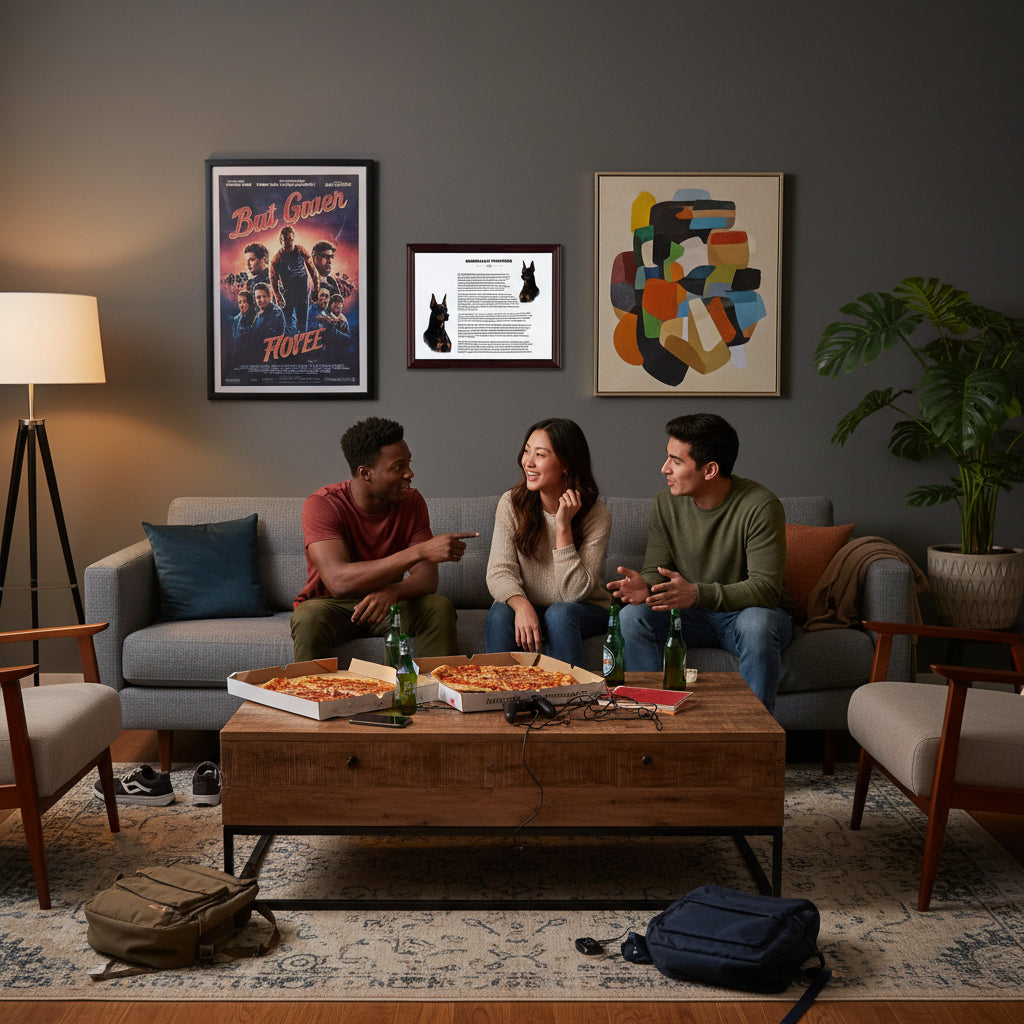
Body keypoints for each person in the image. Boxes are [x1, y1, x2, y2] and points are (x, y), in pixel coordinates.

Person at [608, 413, 795, 712]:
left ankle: (753, 740)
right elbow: (655, 570)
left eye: (676, 461)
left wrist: (696, 593)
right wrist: (646, 587)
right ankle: (651, 719)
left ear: (709, 470)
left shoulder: (760, 505)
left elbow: (766, 589)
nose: (664, 468)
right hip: (690, 616)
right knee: (633, 617)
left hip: (746, 616)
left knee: (758, 624)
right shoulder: (665, 503)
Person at [291, 416, 479, 661]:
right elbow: (338, 581)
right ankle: (313, 697)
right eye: (398, 467)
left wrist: (393, 591)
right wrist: (419, 552)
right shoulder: (323, 504)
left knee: (438, 607)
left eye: (408, 463)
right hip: (333, 606)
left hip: (388, 604)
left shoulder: (412, 502)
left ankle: (437, 696)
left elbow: (427, 580)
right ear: (365, 473)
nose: (409, 474)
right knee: (308, 616)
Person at [485, 418, 611, 667]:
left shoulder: (597, 515)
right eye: (527, 451)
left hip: (584, 609)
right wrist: (521, 606)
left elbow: (573, 594)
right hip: (531, 605)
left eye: (540, 454)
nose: (528, 462)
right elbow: (499, 573)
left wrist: (563, 527)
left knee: (560, 613)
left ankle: (569, 699)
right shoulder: (511, 504)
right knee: (500, 612)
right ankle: (499, 698)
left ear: (565, 464)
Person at [270, 226, 318, 331]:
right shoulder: (276, 259)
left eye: (291, 239)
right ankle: (288, 343)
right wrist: (277, 296)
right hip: (287, 294)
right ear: (280, 240)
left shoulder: (300, 250)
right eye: (286, 239)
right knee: (287, 324)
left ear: (293, 239)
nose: (289, 242)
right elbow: (273, 278)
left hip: (302, 293)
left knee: (302, 323)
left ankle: (302, 343)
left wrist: (316, 287)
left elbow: (312, 269)